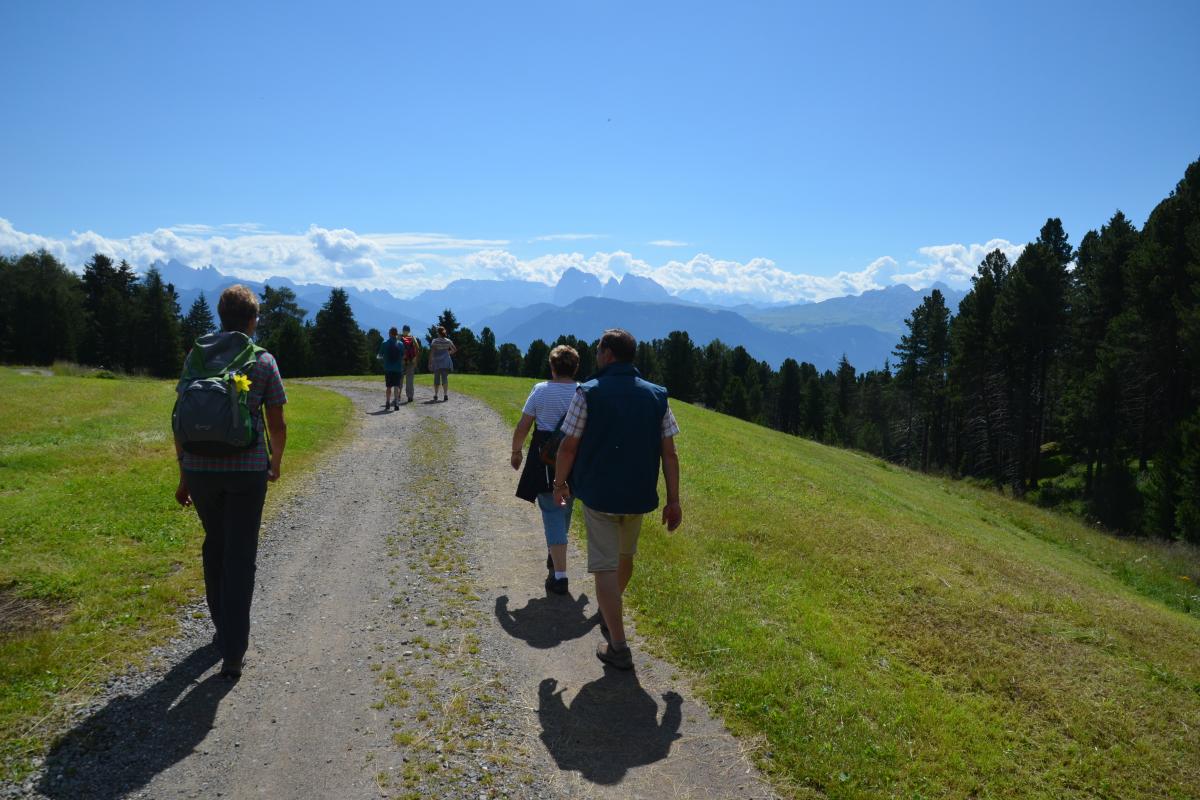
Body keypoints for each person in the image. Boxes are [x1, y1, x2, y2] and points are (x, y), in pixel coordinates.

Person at [173, 284, 288, 679]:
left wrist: (185, 473)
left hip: (201, 470)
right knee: (240, 555)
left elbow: (180, 419)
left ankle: (222, 631)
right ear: (252, 321)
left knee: (215, 545)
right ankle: (234, 651)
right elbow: (277, 422)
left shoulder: (196, 357)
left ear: (221, 318)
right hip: (247, 469)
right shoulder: (262, 360)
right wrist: (276, 462)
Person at [552, 328, 682, 671]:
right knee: (626, 557)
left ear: (608, 354)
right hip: (638, 495)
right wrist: (674, 500)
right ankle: (610, 611)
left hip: (599, 493)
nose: (595, 356)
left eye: (598, 350)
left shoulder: (588, 393)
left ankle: (618, 645)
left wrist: (559, 483)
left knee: (605, 566)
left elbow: (568, 445)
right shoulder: (657, 396)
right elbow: (670, 454)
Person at [511, 345, 581, 595]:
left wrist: (516, 452)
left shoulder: (541, 391)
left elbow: (523, 426)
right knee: (565, 506)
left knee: (552, 510)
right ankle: (556, 555)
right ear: (575, 367)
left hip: (544, 458)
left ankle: (560, 575)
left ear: (552, 367)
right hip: (574, 456)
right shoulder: (582, 392)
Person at [376, 326, 404, 410]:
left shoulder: (385, 343)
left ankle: (387, 402)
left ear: (390, 333)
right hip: (398, 368)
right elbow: (403, 355)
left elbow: (379, 355)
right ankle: (396, 403)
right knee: (396, 386)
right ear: (396, 334)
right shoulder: (401, 344)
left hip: (388, 368)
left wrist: (380, 358)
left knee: (388, 387)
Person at [427, 326, 457, 401]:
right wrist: (448, 353)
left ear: (438, 333)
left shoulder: (435, 341)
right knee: (445, 378)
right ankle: (445, 395)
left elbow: (432, 353)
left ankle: (436, 395)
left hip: (437, 362)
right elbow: (454, 349)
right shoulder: (448, 341)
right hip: (446, 362)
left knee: (436, 379)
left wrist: (430, 363)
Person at [398, 324, 420, 404]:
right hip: (411, 361)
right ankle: (410, 396)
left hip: (401, 361)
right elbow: (418, 348)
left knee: (399, 379)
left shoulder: (399, 337)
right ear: (409, 331)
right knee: (410, 380)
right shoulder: (412, 338)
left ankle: (398, 395)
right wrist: (415, 359)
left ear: (403, 330)